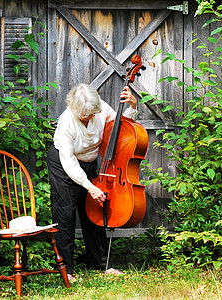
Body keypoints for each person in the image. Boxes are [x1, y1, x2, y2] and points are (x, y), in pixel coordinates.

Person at [47, 83, 138, 281]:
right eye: (84, 115)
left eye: (91, 114)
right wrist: (90, 187)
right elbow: (69, 163)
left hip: (90, 162)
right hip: (64, 165)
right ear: (74, 109)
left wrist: (132, 107)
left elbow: (120, 129)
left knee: (94, 211)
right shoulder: (66, 123)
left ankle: (101, 264)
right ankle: (66, 270)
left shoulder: (101, 108)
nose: (88, 118)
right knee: (65, 214)